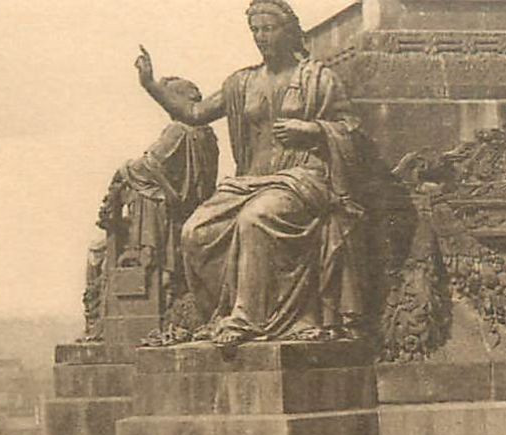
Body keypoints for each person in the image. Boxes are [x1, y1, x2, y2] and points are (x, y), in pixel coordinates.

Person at [134, 0, 370, 347]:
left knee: (255, 219)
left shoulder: (318, 78)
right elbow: (195, 112)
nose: (261, 37)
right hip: (250, 181)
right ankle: (226, 312)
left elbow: (349, 129)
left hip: (303, 177)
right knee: (195, 231)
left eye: (268, 29)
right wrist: (151, 85)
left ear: (289, 32)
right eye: (255, 30)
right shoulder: (242, 82)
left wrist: (315, 131)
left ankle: (248, 318)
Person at [86, 76, 219, 340]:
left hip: (168, 213)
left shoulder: (179, 130)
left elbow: (149, 165)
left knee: (97, 250)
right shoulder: (208, 135)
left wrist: (122, 169)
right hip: (191, 209)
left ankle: (106, 318)